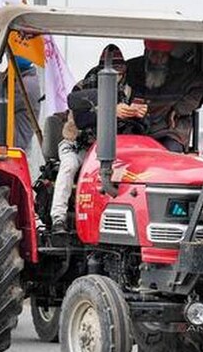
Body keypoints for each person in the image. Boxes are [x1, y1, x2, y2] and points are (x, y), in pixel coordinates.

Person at [50, 45, 147, 233]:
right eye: (113, 70)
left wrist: (138, 111)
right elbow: (81, 118)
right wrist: (112, 110)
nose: (117, 75)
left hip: (116, 148)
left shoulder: (130, 89)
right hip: (79, 145)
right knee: (69, 166)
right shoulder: (82, 88)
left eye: (120, 70)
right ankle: (58, 218)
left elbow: (141, 110)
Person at [126, 40, 203, 153]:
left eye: (163, 56)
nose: (158, 60)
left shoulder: (184, 71)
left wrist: (180, 109)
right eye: (154, 54)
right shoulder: (131, 68)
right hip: (136, 129)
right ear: (146, 52)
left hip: (170, 130)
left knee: (170, 154)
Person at [0, 57, 41, 152]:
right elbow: (1, 78)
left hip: (10, 142)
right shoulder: (20, 76)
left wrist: (0, 81)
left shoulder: (26, 85)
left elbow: (0, 99)